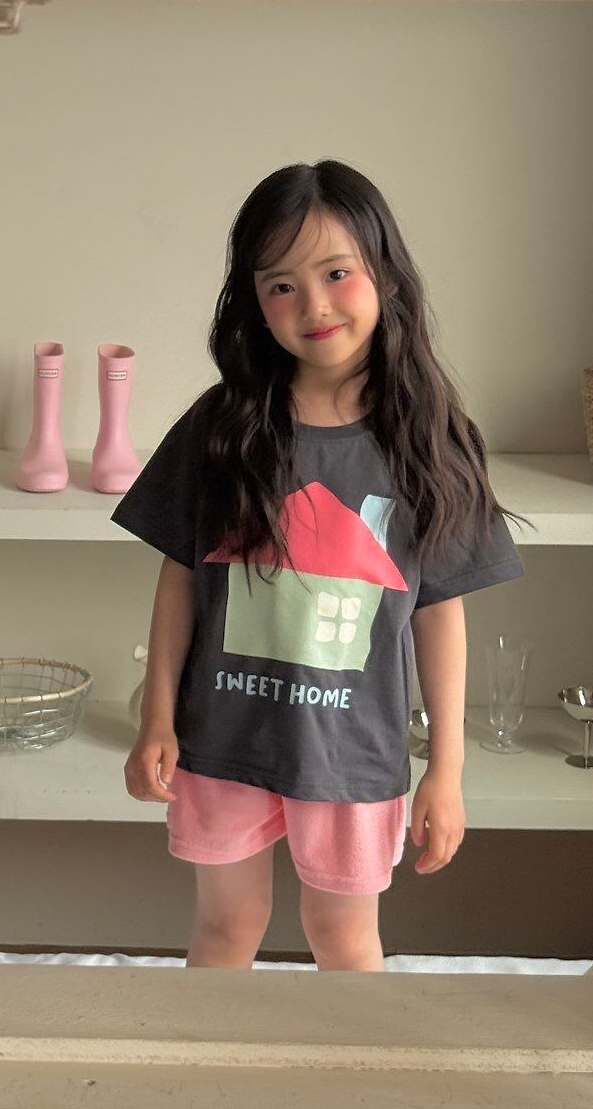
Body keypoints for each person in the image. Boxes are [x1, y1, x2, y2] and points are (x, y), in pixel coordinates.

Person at [109, 159, 531, 973]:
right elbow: (180, 578)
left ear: (386, 276)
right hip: (221, 739)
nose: (314, 306)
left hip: (353, 752)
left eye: (337, 273)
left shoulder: (430, 439)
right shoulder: (222, 425)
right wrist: (156, 716)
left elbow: (439, 609)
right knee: (226, 927)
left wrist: (446, 770)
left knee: (344, 937)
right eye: (281, 285)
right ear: (253, 301)